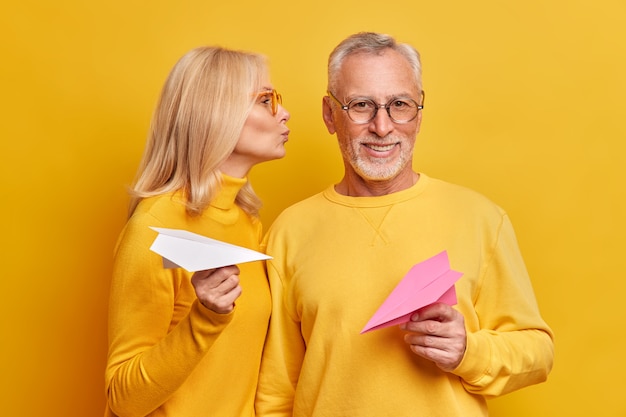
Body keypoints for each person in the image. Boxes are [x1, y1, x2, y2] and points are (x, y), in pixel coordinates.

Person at [255, 32, 554, 416]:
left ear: (419, 114)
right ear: (330, 115)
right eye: (361, 105)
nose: (382, 126)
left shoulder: (480, 218)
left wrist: (469, 351)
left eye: (400, 104)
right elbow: (276, 391)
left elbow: (538, 351)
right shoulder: (288, 231)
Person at [104, 46, 290, 417]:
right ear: (215, 112)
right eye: (265, 100)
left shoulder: (247, 222)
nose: (283, 112)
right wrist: (205, 317)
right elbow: (123, 400)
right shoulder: (154, 229)